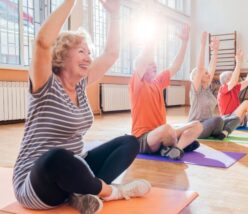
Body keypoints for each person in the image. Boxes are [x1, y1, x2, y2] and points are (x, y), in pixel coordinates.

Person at [13, 1, 150, 213]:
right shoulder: (45, 84)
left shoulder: (80, 85)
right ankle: (110, 192)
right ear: (62, 53)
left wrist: (114, 15)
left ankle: (83, 194)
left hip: (76, 168)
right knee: (56, 157)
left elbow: (111, 54)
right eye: (81, 52)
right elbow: (41, 42)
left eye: (89, 53)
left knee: (130, 143)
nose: (88, 58)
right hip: (37, 181)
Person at [129, 24, 203, 160]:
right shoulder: (137, 84)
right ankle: (178, 144)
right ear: (142, 68)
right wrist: (151, 39)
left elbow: (176, 65)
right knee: (168, 129)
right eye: (151, 64)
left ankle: (177, 149)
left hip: (163, 135)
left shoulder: (158, 82)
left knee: (197, 125)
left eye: (155, 63)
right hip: (143, 139)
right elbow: (145, 57)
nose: (155, 65)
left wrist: (184, 42)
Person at [188, 32, 241, 139]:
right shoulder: (196, 90)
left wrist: (215, 51)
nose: (208, 74)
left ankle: (223, 133)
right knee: (218, 120)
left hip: (210, 124)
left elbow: (211, 68)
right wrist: (203, 45)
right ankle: (218, 130)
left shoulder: (207, 88)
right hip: (197, 127)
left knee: (236, 118)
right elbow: (200, 69)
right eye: (205, 73)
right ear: (197, 77)